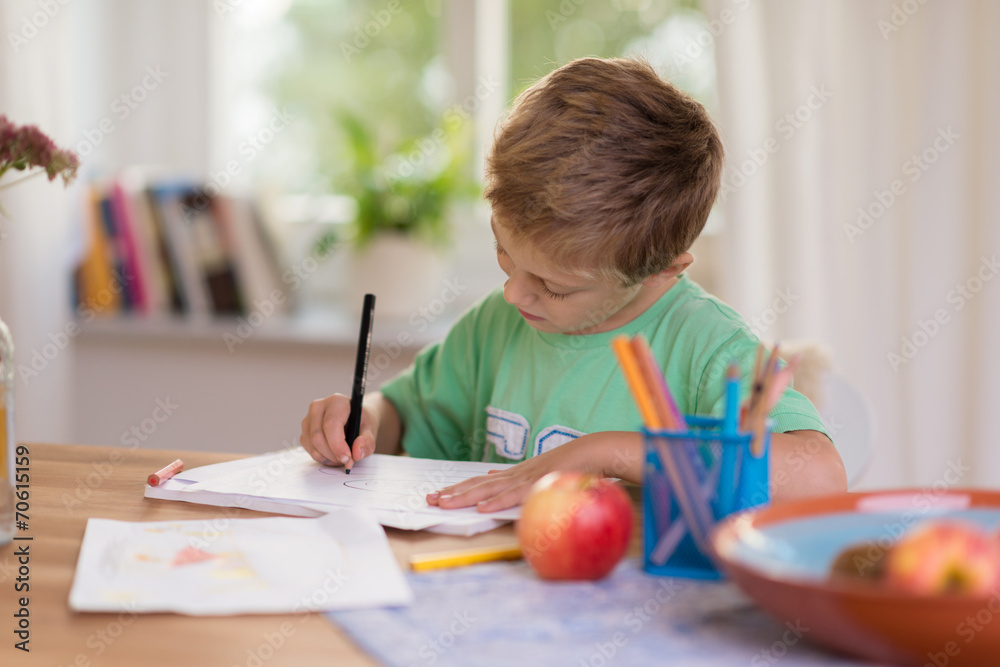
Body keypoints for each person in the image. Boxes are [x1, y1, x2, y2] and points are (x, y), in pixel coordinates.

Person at [300, 57, 847, 512]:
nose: (514, 293)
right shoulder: (497, 325)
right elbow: (404, 421)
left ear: (663, 270)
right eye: (503, 254)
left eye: (554, 286)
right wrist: (361, 419)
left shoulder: (708, 349)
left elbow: (819, 476)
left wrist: (605, 452)